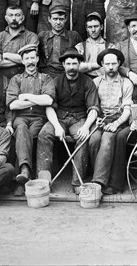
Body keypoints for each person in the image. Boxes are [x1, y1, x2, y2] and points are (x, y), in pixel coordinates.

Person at [36, 49, 100, 192]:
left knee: (83, 137)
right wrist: (57, 126)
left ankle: (77, 182)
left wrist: (86, 127)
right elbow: (49, 106)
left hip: (79, 118)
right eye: (68, 63)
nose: (71, 67)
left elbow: (94, 108)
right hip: (59, 118)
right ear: (63, 65)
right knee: (44, 134)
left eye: (74, 64)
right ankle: (43, 181)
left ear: (79, 64)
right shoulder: (56, 81)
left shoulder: (88, 82)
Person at [6, 44, 55, 189]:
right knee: (21, 128)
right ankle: (25, 170)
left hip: (40, 118)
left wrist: (25, 97)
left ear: (38, 59)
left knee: (26, 135)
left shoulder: (46, 78)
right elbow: (13, 105)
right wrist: (37, 99)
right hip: (20, 117)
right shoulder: (16, 79)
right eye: (27, 58)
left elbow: (49, 100)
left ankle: (22, 177)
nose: (30, 61)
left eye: (33, 58)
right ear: (22, 61)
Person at [90, 48, 134, 195]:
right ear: (102, 64)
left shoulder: (126, 83)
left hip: (119, 120)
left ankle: (99, 182)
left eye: (113, 64)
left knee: (107, 139)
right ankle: (98, 174)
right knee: (94, 139)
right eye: (107, 64)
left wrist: (116, 124)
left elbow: (127, 110)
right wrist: (96, 119)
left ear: (119, 64)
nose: (110, 67)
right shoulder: (95, 82)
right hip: (100, 119)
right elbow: (92, 106)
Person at [0, 5, 40, 79]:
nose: (13, 18)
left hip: (24, 80)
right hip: (1, 79)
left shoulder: (31, 36)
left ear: (23, 18)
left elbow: (31, 60)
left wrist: (5, 55)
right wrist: (21, 60)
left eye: (17, 15)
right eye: (10, 15)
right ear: (6, 18)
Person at [38, 4, 82, 78]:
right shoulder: (42, 36)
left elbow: (81, 57)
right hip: (46, 74)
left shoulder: (73, 36)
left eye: (61, 19)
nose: (58, 22)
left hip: (67, 74)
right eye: (55, 19)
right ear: (49, 19)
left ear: (65, 19)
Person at [76, 12, 108, 78]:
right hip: (84, 81)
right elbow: (77, 67)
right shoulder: (80, 46)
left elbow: (110, 68)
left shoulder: (110, 47)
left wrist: (86, 67)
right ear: (86, 29)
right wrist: (99, 64)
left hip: (103, 80)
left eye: (96, 26)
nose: (93, 30)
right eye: (90, 27)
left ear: (101, 27)